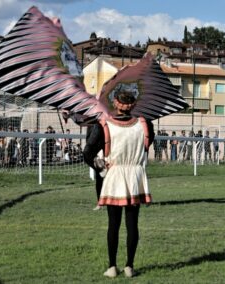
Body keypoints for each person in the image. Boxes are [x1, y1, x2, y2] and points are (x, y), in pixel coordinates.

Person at [83, 90, 154, 278]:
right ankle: (130, 266)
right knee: (133, 224)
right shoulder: (145, 124)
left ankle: (112, 267)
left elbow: (87, 153)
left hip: (115, 175)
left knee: (113, 225)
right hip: (135, 175)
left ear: (115, 103)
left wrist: (101, 166)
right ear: (133, 104)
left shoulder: (103, 125)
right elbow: (147, 145)